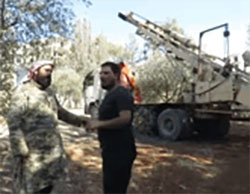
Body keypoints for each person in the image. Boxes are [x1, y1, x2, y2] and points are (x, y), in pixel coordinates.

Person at [7, 60, 87, 194]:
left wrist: (81, 122)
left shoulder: (49, 93)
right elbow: (14, 121)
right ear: (35, 72)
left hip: (52, 154)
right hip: (32, 157)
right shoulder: (22, 93)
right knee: (32, 188)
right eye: (45, 71)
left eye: (51, 72)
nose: (49, 75)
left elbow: (60, 112)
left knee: (50, 186)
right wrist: (21, 149)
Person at [87, 61, 137, 194]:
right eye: (101, 73)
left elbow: (125, 118)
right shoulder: (110, 94)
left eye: (106, 73)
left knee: (115, 190)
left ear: (116, 75)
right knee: (110, 188)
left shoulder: (121, 93)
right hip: (111, 151)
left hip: (120, 153)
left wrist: (100, 124)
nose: (102, 76)